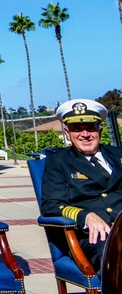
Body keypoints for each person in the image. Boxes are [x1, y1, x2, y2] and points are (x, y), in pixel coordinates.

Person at [41, 99, 122, 271]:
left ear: (100, 130)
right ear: (67, 132)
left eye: (90, 128)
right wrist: (85, 216)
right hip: (95, 236)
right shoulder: (59, 161)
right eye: (77, 129)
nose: (85, 134)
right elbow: (51, 205)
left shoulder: (118, 155)